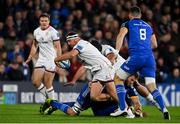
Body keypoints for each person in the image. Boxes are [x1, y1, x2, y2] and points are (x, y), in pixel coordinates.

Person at [110, 6, 170, 120]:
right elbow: (155, 44)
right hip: (149, 58)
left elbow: (121, 36)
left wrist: (116, 52)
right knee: (152, 86)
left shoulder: (127, 24)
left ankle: (123, 108)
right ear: (140, 15)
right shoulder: (148, 26)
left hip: (136, 56)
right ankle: (164, 109)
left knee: (118, 78)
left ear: (129, 15)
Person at [54, 31, 120, 110]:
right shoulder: (83, 50)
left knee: (112, 93)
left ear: (75, 39)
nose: (68, 43)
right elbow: (83, 68)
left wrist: (56, 59)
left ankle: (126, 107)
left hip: (104, 68)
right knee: (94, 96)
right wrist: (74, 80)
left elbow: (71, 55)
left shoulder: (81, 44)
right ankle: (121, 100)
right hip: (99, 70)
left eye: (69, 41)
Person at [25, 13, 62, 101]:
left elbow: (58, 47)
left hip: (51, 60)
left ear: (49, 21)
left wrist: (59, 61)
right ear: (39, 21)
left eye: (46, 21)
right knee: (35, 82)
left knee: (47, 83)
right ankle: (51, 100)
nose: (44, 22)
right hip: (41, 59)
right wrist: (30, 57)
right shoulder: (36, 31)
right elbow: (34, 46)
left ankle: (51, 103)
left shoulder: (53, 32)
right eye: (42, 21)